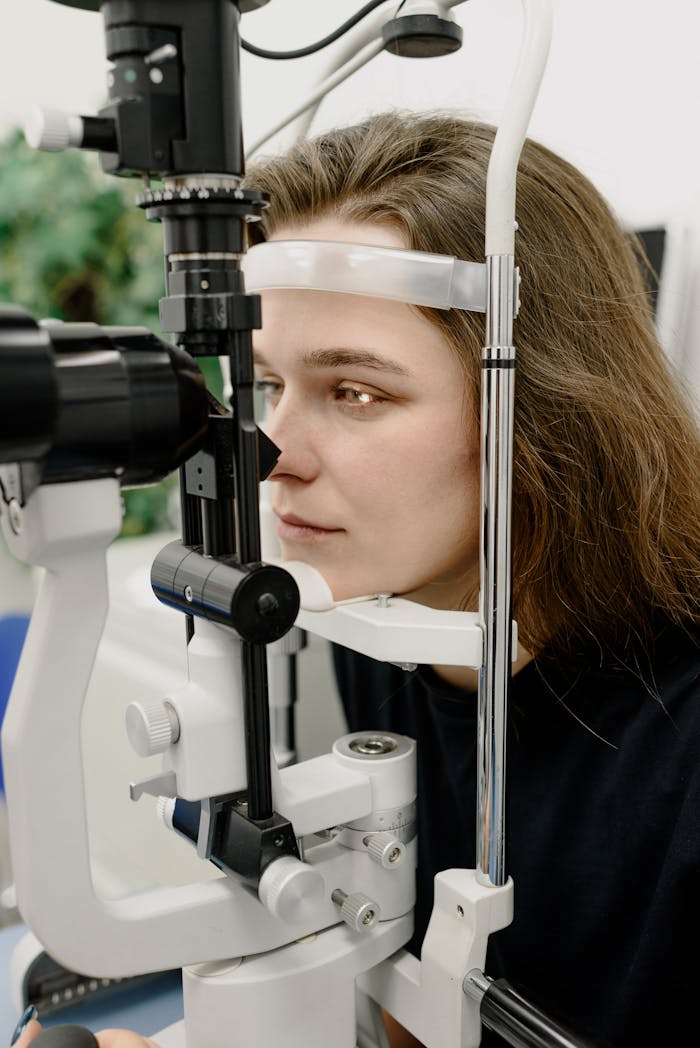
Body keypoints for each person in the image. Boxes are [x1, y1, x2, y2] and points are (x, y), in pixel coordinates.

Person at [15, 112, 700, 1048]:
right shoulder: (382, 622)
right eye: (269, 388)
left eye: (357, 392)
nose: (275, 454)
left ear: (542, 413)